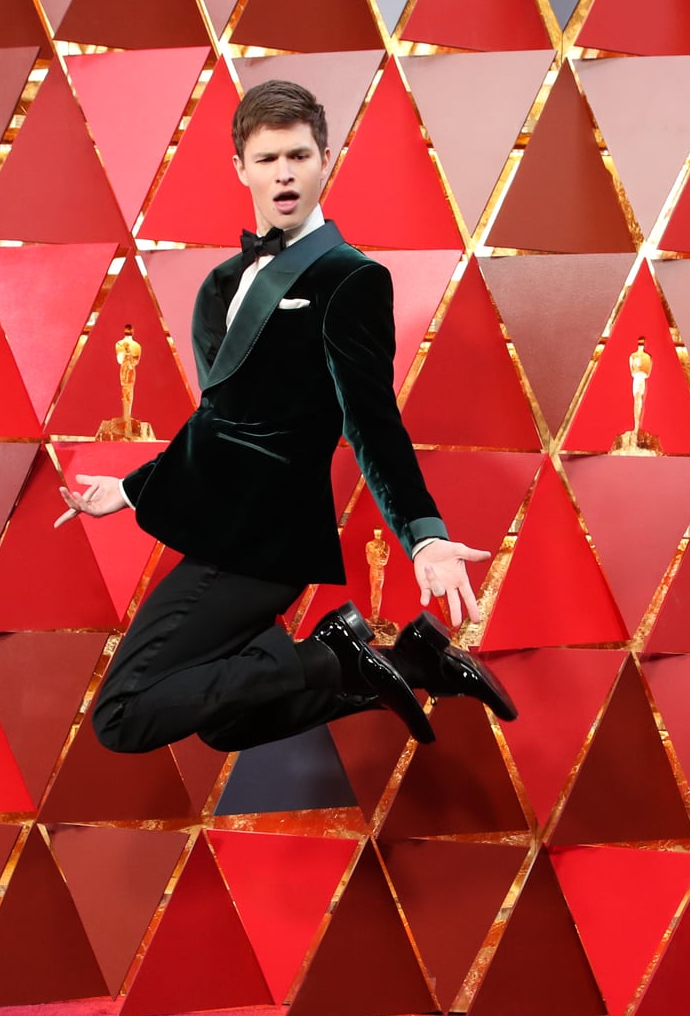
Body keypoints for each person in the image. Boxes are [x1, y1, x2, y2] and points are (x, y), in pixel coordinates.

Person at [55, 79, 516, 755]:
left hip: (264, 539)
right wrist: (128, 490)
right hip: (225, 529)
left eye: (299, 156)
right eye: (268, 159)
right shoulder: (218, 288)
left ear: (325, 158)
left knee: (121, 714)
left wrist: (423, 536)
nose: (285, 174)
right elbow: (229, 423)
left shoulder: (351, 280)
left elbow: (371, 419)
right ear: (240, 168)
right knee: (227, 719)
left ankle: (338, 652)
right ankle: (415, 662)